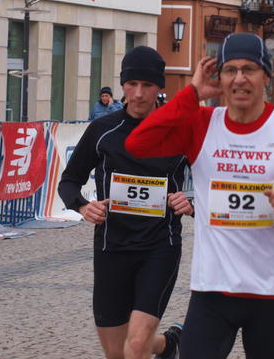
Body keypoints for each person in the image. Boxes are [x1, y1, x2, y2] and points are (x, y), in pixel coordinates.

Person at [126, 33, 274, 359]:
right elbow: (137, 143)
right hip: (212, 289)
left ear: (266, 76)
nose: (240, 79)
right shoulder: (201, 124)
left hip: (269, 291)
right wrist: (192, 94)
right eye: (230, 70)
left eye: (249, 69)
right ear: (220, 78)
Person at [58, 46, 191, 359]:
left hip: (159, 247)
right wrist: (82, 206)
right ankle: (168, 344)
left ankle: (158, 344)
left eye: (147, 85)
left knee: (136, 346)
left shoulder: (180, 130)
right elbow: (69, 180)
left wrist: (191, 201)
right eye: (132, 84)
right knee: (118, 352)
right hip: (112, 247)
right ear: (122, 85)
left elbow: (210, 180)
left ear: (160, 87)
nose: (139, 93)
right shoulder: (103, 130)